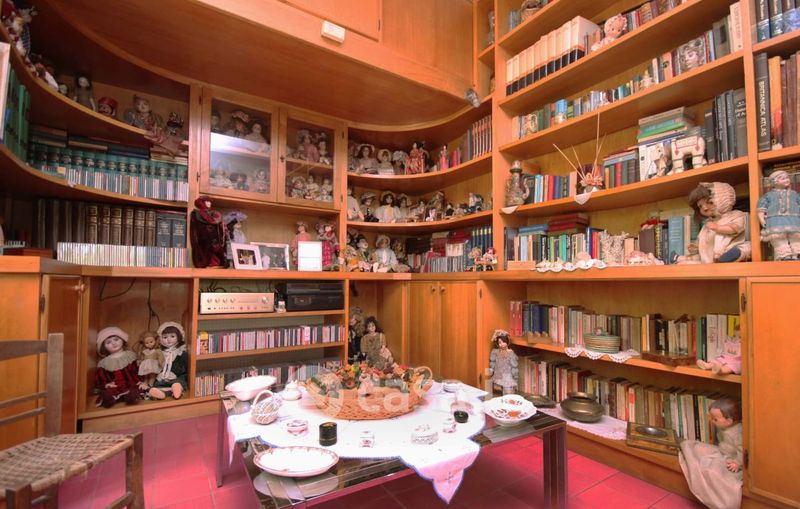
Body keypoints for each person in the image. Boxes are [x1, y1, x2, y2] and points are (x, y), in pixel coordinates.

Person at [679, 397, 743, 509]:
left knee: (711, 470)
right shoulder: (725, 428)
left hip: (730, 458)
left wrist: (737, 463)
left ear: (729, 421)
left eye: (715, 419)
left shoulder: (737, 433)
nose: (712, 421)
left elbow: (742, 450)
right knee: (691, 446)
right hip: (721, 450)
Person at [677, 182, 750, 264]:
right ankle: (683, 259)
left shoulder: (735, 215)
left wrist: (718, 228)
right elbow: (702, 237)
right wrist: (696, 246)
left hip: (725, 251)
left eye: (710, 202)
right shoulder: (708, 222)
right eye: (700, 206)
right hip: (708, 257)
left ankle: (729, 257)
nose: (704, 208)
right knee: (698, 259)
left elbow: (735, 228)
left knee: (743, 249)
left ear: (722, 201)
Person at [756, 170, 800, 260]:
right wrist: (762, 219)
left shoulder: (794, 194)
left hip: (794, 220)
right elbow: (761, 208)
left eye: (787, 178)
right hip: (776, 220)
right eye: (783, 179)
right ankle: (784, 255)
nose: (786, 180)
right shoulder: (768, 195)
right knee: (778, 238)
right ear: (774, 182)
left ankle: (797, 253)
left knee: (795, 237)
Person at [94, 326, 141, 408]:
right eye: (108, 342)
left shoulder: (130, 355)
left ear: (122, 340)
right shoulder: (104, 362)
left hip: (131, 383)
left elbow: (136, 370)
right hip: (115, 385)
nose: (113, 343)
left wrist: (140, 381)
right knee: (108, 392)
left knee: (135, 389)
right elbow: (102, 376)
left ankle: (130, 397)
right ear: (103, 347)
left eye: (116, 339)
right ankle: (109, 399)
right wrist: (106, 384)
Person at [149, 322, 188, 400]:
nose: (169, 339)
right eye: (165, 337)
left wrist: (174, 373)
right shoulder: (160, 352)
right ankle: (161, 393)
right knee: (158, 384)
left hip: (177, 376)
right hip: (163, 377)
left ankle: (176, 388)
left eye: (172, 336)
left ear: (179, 337)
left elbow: (184, 368)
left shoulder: (180, 352)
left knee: (179, 382)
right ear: (160, 339)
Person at [190, 196, 227, 268]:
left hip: (215, 241)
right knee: (205, 252)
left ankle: (217, 262)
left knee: (217, 251)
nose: (209, 203)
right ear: (202, 203)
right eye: (207, 201)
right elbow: (195, 230)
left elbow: (219, 228)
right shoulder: (197, 214)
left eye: (210, 202)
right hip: (203, 241)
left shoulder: (214, 214)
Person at [488, 329, 518, 394]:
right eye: (499, 342)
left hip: (508, 377)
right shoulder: (495, 352)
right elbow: (493, 362)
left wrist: (515, 376)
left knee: (508, 393)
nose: (502, 344)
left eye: (504, 342)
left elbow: (514, 366)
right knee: (498, 391)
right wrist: (491, 370)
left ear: (507, 341)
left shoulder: (511, 353)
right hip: (498, 375)